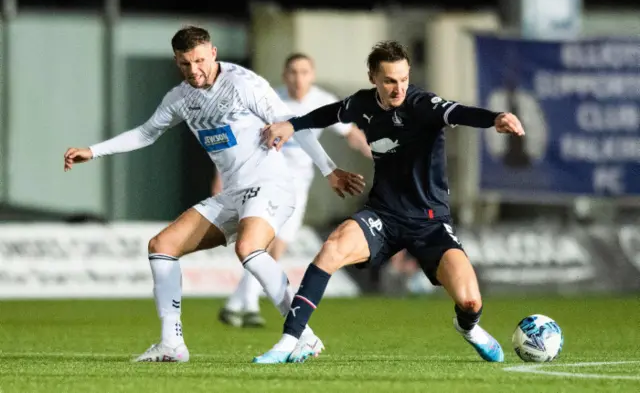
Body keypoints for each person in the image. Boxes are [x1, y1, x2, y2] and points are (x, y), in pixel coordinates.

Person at [62, 26, 365, 363]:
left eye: (200, 61)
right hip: (233, 192)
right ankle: (171, 344)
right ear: (177, 62)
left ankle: (302, 334)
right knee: (162, 247)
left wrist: (329, 170)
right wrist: (93, 150)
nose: (194, 70)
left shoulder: (243, 84)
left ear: (213, 53)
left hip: (271, 184)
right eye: (185, 64)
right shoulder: (180, 98)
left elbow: (293, 124)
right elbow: (146, 133)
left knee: (248, 248)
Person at [254, 41, 525, 364]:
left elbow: (459, 112)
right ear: (373, 78)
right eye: (389, 81)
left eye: (403, 79)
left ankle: (469, 329)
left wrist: (495, 118)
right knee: (332, 248)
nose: (398, 88)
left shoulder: (423, 104)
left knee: (470, 303)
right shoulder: (363, 104)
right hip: (383, 214)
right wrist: (292, 124)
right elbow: (329, 113)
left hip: (430, 222)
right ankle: (290, 340)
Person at [218, 53, 370, 328]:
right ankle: (248, 304)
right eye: (293, 72)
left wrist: (380, 155)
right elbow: (236, 142)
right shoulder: (268, 100)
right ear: (285, 75)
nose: (298, 78)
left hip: (298, 186)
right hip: (266, 180)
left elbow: (351, 133)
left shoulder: (322, 101)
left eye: (304, 72)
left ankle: (236, 303)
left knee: (271, 248)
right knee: (267, 244)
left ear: (312, 75)